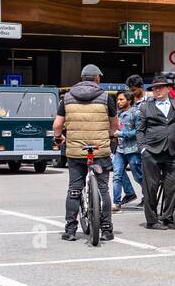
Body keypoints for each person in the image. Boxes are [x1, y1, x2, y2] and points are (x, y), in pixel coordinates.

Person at [52, 64, 117, 243]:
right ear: (97, 79)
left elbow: (57, 126)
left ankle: (70, 230)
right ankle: (106, 230)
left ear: (82, 78)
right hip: (100, 150)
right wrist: (110, 135)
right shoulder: (106, 97)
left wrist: (59, 138)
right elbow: (114, 125)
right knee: (103, 189)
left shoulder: (67, 98)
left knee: (74, 189)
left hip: (75, 151)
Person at [138, 75, 175, 230]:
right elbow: (140, 130)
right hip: (151, 152)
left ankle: (167, 217)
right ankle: (152, 220)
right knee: (151, 188)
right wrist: (143, 149)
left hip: (173, 152)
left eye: (161, 87)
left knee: (172, 187)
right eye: (155, 88)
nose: (157, 90)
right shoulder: (145, 107)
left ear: (169, 89)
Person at [112, 92, 140, 211]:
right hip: (119, 150)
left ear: (129, 100)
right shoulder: (118, 114)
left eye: (121, 99)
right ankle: (116, 203)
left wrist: (122, 134)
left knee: (139, 177)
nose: (118, 102)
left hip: (133, 149)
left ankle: (149, 197)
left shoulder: (136, 113)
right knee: (117, 175)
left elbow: (139, 131)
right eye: (118, 100)